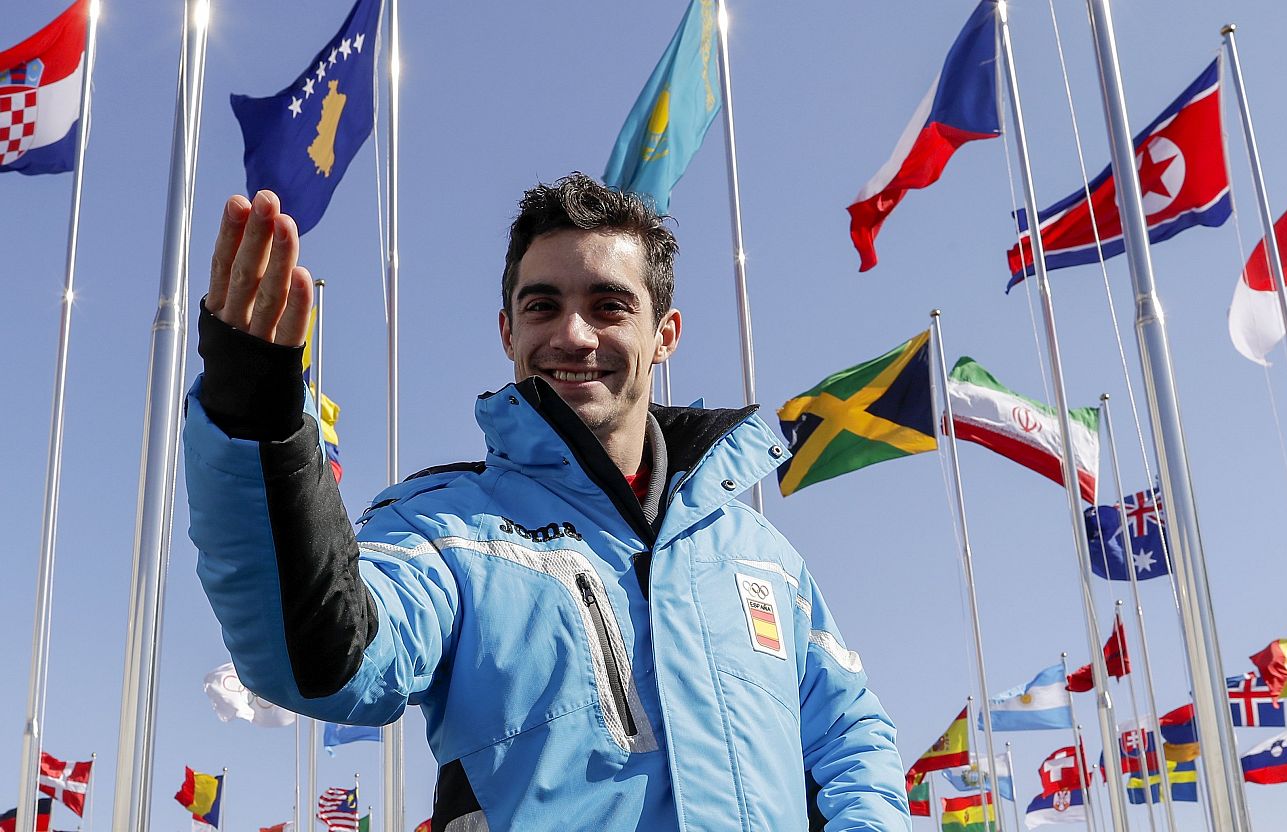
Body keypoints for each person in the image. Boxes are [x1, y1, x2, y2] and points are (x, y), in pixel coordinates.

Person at [184, 174, 910, 831]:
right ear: (509, 331)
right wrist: (255, 415)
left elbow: (850, 739)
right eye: (543, 306)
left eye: (608, 305)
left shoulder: (763, 557)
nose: (573, 333)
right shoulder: (441, 529)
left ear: (665, 336)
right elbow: (325, 659)